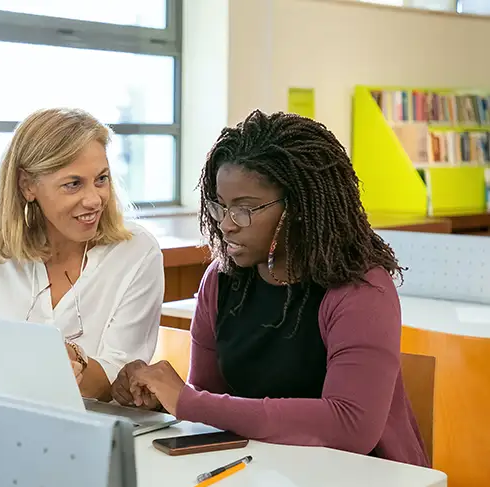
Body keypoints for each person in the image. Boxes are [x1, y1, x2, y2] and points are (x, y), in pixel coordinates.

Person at [111, 110, 429, 467]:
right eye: (220, 206)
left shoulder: (360, 289)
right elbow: (210, 401)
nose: (227, 225)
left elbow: (351, 426)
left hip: (364, 473)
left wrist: (187, 401)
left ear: (299, 207)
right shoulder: (221, 280)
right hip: (262, 469)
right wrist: (161, 398)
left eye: (245, 209)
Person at [0, 108, 164, 402]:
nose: (94, 199)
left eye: (102, 179)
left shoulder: (137, 252)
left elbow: (119, 382)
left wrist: (75, 364)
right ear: (27, 185)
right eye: (73, 184)